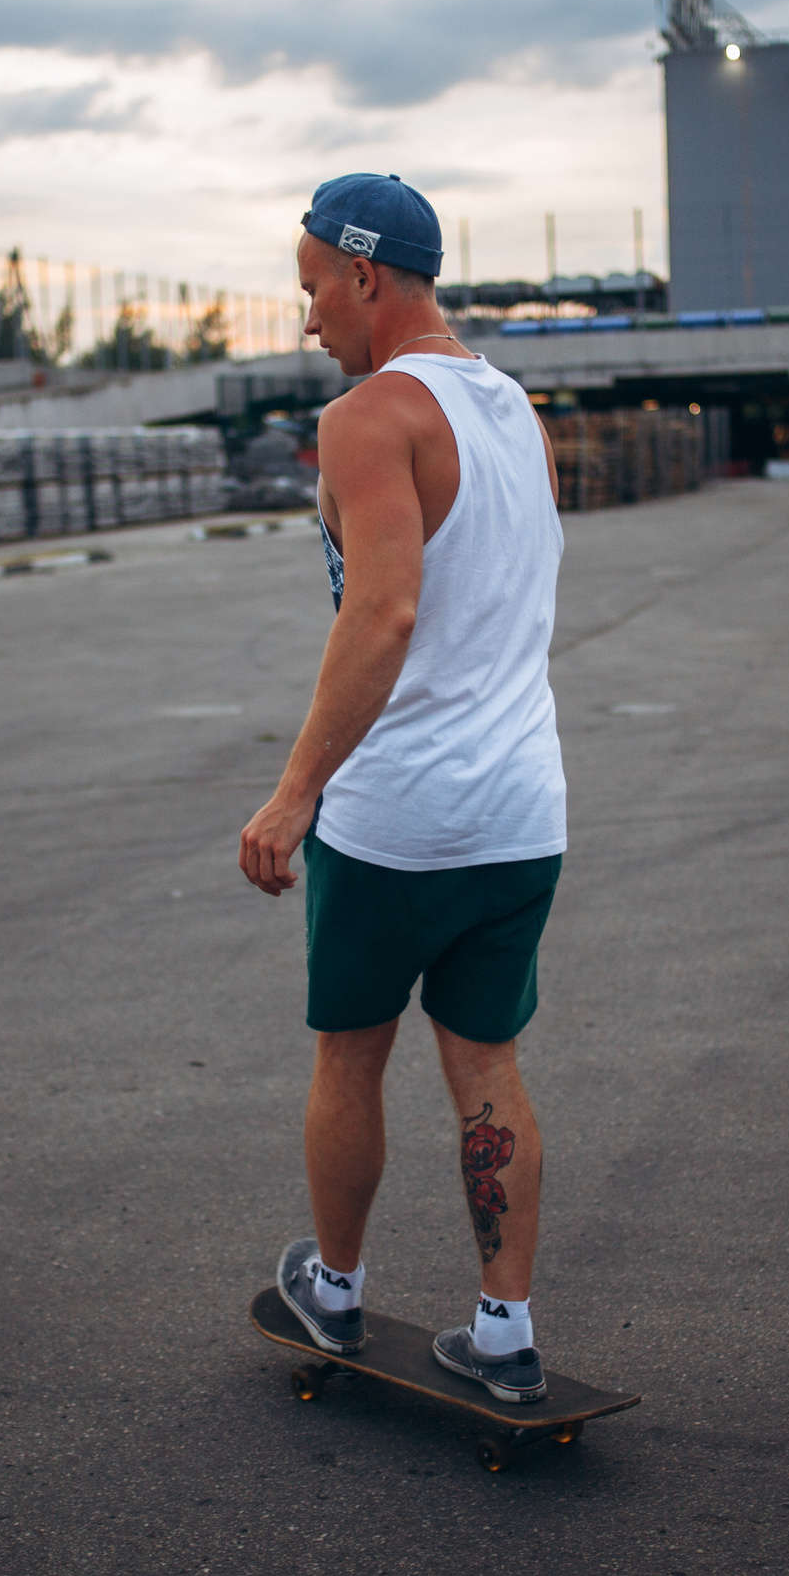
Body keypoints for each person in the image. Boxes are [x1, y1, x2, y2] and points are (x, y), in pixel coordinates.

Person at [239, 172, 567, 1405]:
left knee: (349, 1057)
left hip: (397, 818)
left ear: (367, 275)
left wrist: (293, 794)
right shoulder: (515, 413)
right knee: (489, 1069)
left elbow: (383, 610)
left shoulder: (372, 418)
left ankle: (332, 1288)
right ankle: (504, 1330)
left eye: (315, 283)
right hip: (522, 807)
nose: (309, 314)